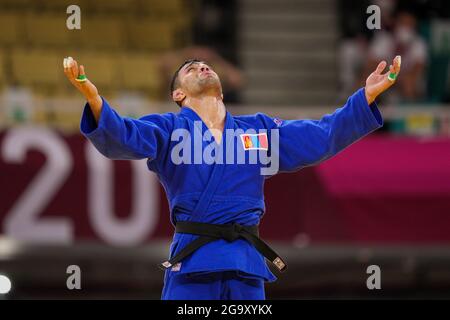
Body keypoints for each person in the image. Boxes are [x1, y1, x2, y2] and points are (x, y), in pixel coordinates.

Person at [63, 55, 401, 300]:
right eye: (191, 69)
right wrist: (95, 101)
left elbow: (321, 136)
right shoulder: (168, 128)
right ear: (178, 95)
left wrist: (365, 98)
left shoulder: (258, 128)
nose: (202, 67)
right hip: (192, 264)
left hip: (245, 265)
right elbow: (125, 136)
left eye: (206, 65)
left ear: (222, 90)